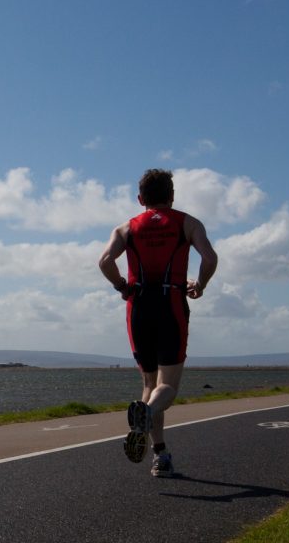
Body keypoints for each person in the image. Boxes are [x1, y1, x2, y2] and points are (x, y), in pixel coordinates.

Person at [99, 168, 218, 478]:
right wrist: (200, 285)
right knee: (167, 387)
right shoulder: (187, 223)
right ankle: (148, 415)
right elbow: (210, 258)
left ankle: (160, 454)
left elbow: (105, 261)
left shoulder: (126, 228)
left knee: (149, 385)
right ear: (172, 196)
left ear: (141, 199)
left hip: (138, 306)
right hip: (171, 304)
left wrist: (121, 286)